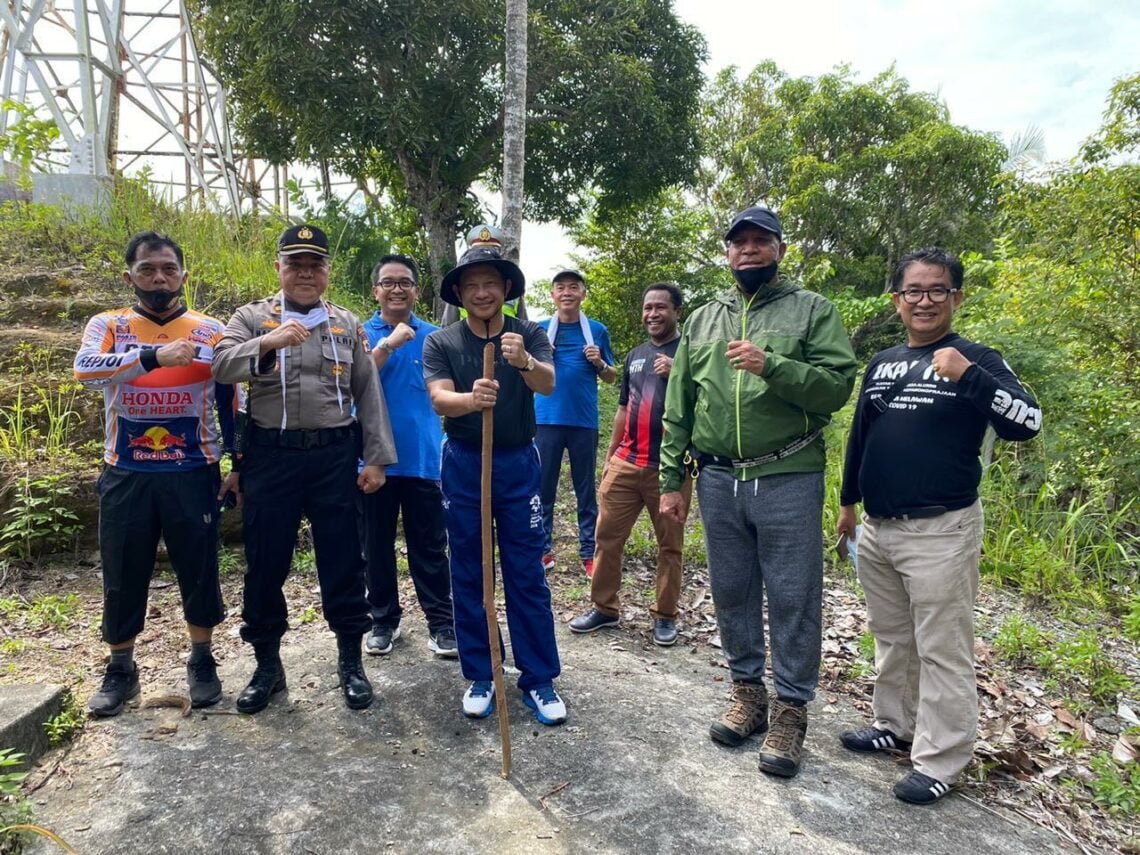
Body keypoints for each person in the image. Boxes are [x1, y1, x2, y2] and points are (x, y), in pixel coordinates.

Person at [836, 247, 1041, 804]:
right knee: (892, 637)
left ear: (957, 297)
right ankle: (894, 725)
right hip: (878, 527)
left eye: (936, 290)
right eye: (913, 291)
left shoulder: (978, 359)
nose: (924, 301)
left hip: (941, 530)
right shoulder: (882, 362)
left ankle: (940, 759)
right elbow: (861, 435)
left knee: (942, 648)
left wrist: (970, 377)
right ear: (896, 300)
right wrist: (848, 501)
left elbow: (1027, 422)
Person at [659, 205, 857, 777]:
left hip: (787, 473)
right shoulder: (704, 318)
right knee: (732, 589)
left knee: (794, 593)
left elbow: (836, 388)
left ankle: (791, 709)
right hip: (719, 478)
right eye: (738, 242)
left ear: (779, 250)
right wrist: (672, 480)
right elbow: (680, 405)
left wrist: (773, 366)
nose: (748, 250)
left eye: (760, 241)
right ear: (727, 252)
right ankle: (747, 692)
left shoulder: (812, 310)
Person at [213, 224, 396, 714]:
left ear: (327, 272)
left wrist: (376, 458)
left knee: (343, 559)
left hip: (334, 456)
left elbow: (368, 392)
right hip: (271, 458)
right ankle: (267, 667)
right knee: (265, 562)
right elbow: (221, 365)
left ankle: (350, 662)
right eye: (296, 264)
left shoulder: (346, 322)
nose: (306, 273)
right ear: (279, 268)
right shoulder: (252, 317)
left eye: (315, 265)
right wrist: (268, 343)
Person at [74, 231, 240, 717]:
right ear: (129, 277)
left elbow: (230, 400)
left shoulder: (210, 330)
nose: (159, 278)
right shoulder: (109, 324)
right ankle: (120, 668)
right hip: (126, 470)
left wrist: (237, 463)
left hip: (193, 470)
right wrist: (152, 356)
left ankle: (202, 659)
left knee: (199, 567)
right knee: (122, 569)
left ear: (184, 276)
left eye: (168, 269)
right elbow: (85, 369)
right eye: (147, 269)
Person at [422, 225, 567, 726]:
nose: (481, 292)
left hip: (517, 462)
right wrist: (471, 399)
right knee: (469, 567)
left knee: (526, 569)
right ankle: (482, 674)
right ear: (459, 293)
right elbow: (439, 397)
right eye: (471, 284)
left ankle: (539, 679)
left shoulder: (530, 334)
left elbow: (548, 384)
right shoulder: (442, 341)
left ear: (506, 287)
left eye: (490, 282)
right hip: (464, 461)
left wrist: (523, 362)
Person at [569, 283, 691, 646]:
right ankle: (604, 608)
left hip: (670, 469)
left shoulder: (691, 353)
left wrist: (679, 372)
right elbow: (624, 407)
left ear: (677, 312)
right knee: (606, 538)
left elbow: (708, 402)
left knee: (670, 546)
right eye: (647, 307)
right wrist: (610, 457)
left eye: (661, 307)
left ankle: (665, 615)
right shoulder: (636, 355)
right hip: (626, 461)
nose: (652, 314)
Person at [358, 254, 457, 658]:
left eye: (404, 282)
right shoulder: (359, 334)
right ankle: (383, 621)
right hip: (372, 460)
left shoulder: (436, 337)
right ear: (375, 291)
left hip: (424, 459)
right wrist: (388, 344)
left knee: (430, 546)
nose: (396, 289)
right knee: (375, 546)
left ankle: (442, 623)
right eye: (388, 282)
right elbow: (351, 384)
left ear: (417, 290)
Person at [535, 268, 617, 576]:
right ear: (553, 295)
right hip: (545, 419)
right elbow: (525, 372)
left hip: (584, 420)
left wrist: (599, 362)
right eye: (561, 287)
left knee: (585, 490)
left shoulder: (596, 331)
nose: (567, 292)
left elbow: (611, 377)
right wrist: (541, 357)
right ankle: (542, 549)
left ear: (583, 294)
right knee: (543, 487)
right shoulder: (541, 330)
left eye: (573, 287)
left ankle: (588, 552)